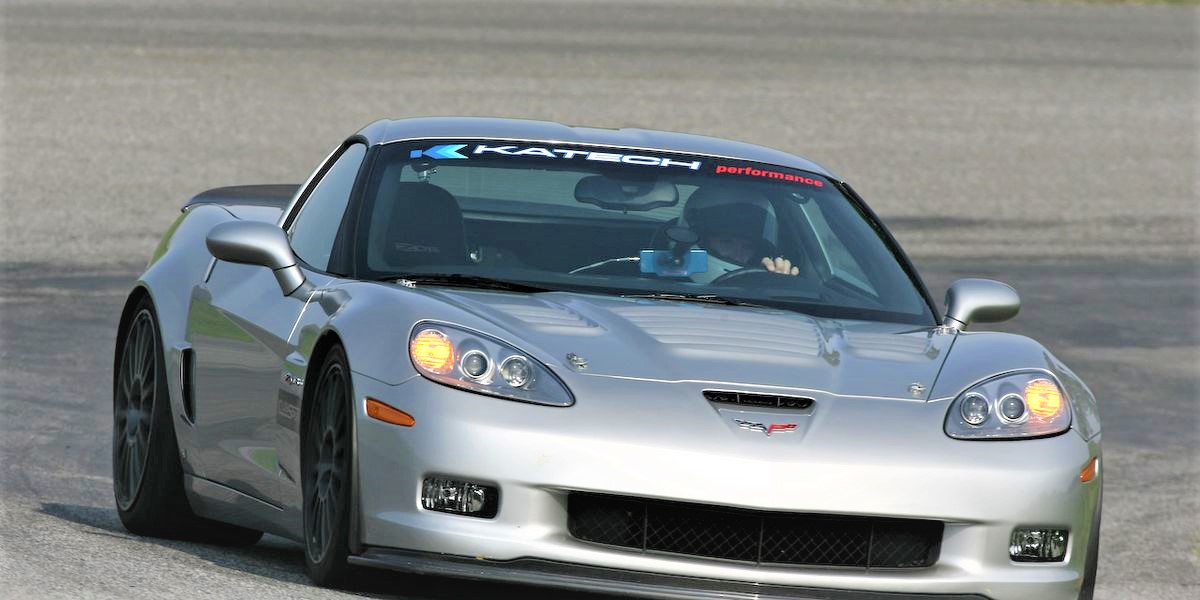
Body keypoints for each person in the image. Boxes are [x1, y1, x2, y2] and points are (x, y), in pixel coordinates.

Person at [681, 186, 800, 283]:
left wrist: (778, 282)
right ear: (699, 238)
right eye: (726, 242)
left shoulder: (759, 287)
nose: (738, 255)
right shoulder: (664, 281)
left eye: (748, 247)